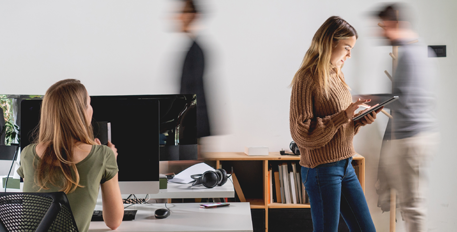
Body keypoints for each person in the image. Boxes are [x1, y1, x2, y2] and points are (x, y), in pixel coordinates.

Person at [289, 16, 380, 231]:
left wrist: (358, 120)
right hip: (322, 170)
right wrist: (343, 115)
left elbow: (341, 126)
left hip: (346, 164)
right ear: (330, 42)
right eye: (346, 47)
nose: (349, 55)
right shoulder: (306, 78)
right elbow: (301, 133)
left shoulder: (337, 75)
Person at [17, 79, 124, 232]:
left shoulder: (28, 153)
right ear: (81, 113)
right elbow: (113, 222)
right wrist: (110, 160)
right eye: (88, 103)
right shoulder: (103, 155)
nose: (91, 108)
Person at [375, 4, 439, 232]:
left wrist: (374, 102)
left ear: (395, 23)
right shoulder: (421, 51)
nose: (380, 32)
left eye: (383, 26)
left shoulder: (410, 54)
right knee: (408, 200)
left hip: (410, 137)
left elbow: (404, 99)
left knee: (412, 205)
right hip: (410, 136)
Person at [177, 0, 211, 139]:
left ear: (192, 15)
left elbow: (195, 91)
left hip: (194, 125)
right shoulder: (191, 48)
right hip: (191, 123)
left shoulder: (195, 50)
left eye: (182, 12)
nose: (178, 17)